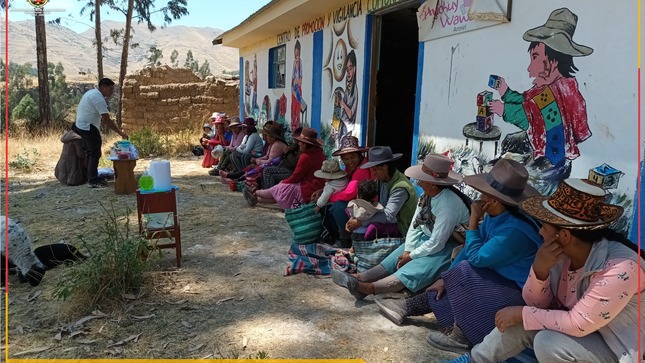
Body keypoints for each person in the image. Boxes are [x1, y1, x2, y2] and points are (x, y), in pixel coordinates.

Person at [446, 178, 645, 363]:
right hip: (585, 336)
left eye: (544, 227)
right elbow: (536, 304)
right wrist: (540, 271)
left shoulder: (622, 267)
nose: (540, 232)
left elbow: (578, 323)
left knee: (547, 341)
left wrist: (522, 313)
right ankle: (473, 360)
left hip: (618, 350)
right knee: (523, 321)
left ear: (565, 235)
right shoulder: (561, 254)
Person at [374, 158, 543, 354]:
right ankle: (406, 306)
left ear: (494, 201)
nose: (480, 197)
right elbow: (472, 250)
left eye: (484, 194)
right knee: (455, 275)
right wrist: (446, 279)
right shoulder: (497, 215)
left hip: (519, 292)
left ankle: (462, 336)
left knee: (466, 272)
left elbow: (477, 258)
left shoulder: (515, 230)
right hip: (497, 278)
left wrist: (473, 221)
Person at [332, 152, 470, 299]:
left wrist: (411, 256)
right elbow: (415, 226)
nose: (419, 183)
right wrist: (408, 250)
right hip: (427, 236)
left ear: (432, 183)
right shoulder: (426, 196)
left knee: (418, 267)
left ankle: (369, 289)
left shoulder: (448, 205)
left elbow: (437, 242)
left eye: (422, 180)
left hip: (450, 245)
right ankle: (362, 277)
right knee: (396, 256)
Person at [488, 8, 593, 192]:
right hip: (548, 151)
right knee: (512, 141)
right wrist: (504, 90)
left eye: (535, 57)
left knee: (522, 186)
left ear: (553, 61)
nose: (530, 66)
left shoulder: (553, 93)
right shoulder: (554, 86)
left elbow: (527, 115)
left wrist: (502, 109)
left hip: (552, 164)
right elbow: (525, 100)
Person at [243, 127, 325, 209]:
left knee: (282, 188)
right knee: (282, 192)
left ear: (305, 144)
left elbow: (297, 175)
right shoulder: (319, 153)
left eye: (300, 142)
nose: (299, 143)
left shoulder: (306, 156)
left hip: (308, 187)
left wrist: (284, 181)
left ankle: (255, 192)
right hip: (312, 184)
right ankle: (256, 199)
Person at [313, 135, 370, 247]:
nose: (349, 161)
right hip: (355, 201)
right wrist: (321, 191)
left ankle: (345, 238)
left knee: (337, 207)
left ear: (359, 155)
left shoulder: (361, 170)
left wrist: (327, 197)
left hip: (364, 205)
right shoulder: (351, 168)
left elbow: (349, 193)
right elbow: (338, 183)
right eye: (346, 158)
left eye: (352, 157)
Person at [72, 78, 128, 188]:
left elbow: (96, 113)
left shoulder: (92, 93)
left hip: (80, 125)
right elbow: (107, 119)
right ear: (103, 87)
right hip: (88, 127)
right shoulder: (98, 98)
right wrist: (120, 133)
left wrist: (102, 121)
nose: (112, 92)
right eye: (110, 89)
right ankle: (93, 180)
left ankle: (89, 175)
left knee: (89, 152)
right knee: (95, 153)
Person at [336, 50, 358, 142]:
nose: (348, 72)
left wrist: (343, 104)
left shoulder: (354, 90)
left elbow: (350, 114)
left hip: (347, 129)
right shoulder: (348, 88)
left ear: (355, 69)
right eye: (347, 69)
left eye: (350, 68)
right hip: (342, 125)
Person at [291, 40, 303, 131]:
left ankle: (297, 127)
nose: (296, 56)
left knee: (298, 108)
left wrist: (297, 82)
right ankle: (293, 126)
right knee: (293, 107)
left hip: (298, 89)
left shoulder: (300, 63)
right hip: (294, 89)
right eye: (295, 53)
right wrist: (293, 90)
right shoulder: (294, 64)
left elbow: (300, 81)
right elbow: (293, 80)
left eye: (297, 53)